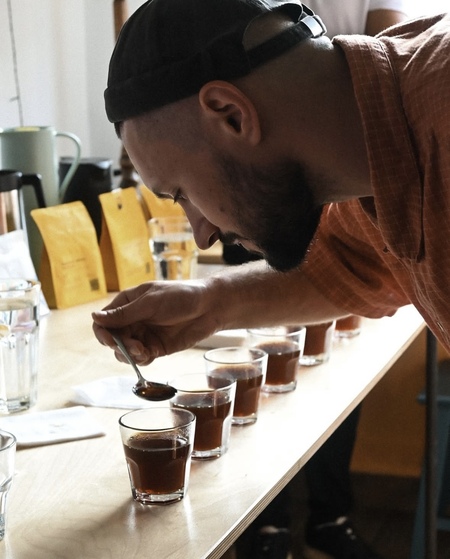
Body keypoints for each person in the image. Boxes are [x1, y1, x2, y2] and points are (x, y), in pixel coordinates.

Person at [92, 0, 449, 555]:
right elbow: (349, 268)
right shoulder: (366, 152)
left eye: (181, 193)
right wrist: (209, 301)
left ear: (231, 114)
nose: (201, 235)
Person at [222, 2, 409, 558]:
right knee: (258, 369)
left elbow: (387, 61)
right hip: (260, 182)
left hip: (339, 172)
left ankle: (329, 516)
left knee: (333, 370)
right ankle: (268, 525)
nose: (199, 232)